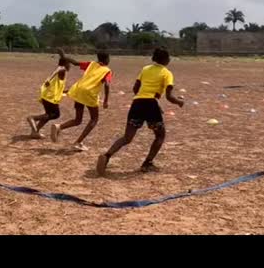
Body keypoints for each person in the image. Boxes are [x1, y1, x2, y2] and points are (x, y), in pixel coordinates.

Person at [96, 47, 184, 176]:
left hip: (137, 103)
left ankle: (107, 155)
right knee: (160, 136)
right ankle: (147, 163)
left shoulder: (145, 69)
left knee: (127, 137)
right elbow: (169, 97)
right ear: (165, 59)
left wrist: (146, 99)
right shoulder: (167, 73)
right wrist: (179, 102)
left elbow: (135, 88)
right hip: (150, 105)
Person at [50, 51, 111, 152]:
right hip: (89, 93)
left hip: (78, 90)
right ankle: (78, 143)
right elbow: (107, 85)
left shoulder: (91, 64)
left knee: (78, 120)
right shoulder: (107, 70)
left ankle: (59, 127)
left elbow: (75, 63)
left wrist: (64, 56)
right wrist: (106, 100)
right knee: (94, 119)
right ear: (107, 59)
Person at [26, 56, 70, 138]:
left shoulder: (62, 75)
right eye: (69, 64)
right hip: (50, 98)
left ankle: (35, 132)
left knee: (48, 115)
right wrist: (49, 79)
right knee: (56, 114)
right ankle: (32, 118)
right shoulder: (62, 70)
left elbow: (57, 88)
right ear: (65, 64)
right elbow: (59, 69)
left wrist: (68, 91)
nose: (70, 66)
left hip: (47, 97)